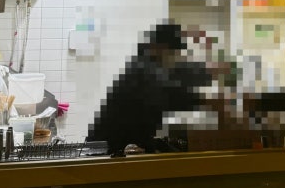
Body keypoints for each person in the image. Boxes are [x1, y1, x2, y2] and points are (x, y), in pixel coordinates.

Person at [87, 21, 212, 154]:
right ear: (158, 47)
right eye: (172, 52)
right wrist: (203, 101)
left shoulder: (142, 66)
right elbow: (167, 98)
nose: (173, 57)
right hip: (110, 149)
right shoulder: (145, 69)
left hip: (113, 145)